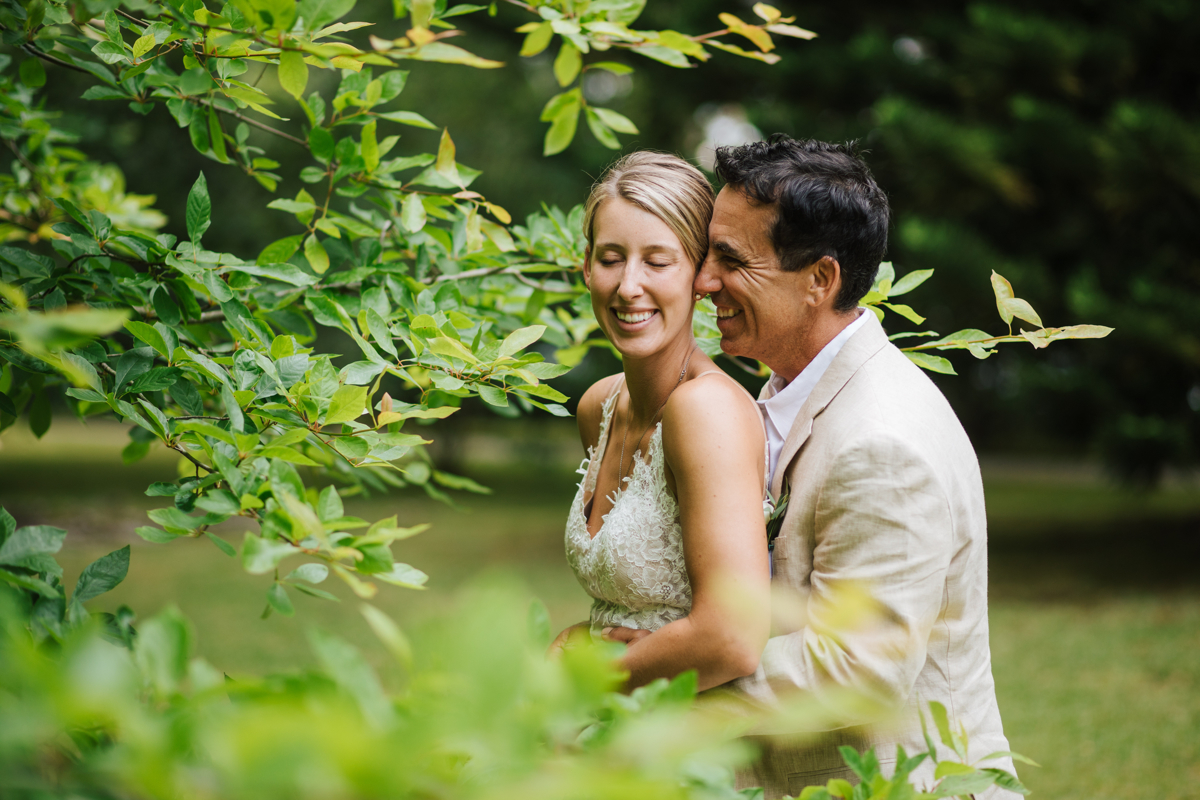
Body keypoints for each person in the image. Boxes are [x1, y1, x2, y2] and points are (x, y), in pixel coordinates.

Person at [607, 136, 1016, 798]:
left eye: (732, 260)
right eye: (709, 252)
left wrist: (655, 685)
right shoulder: (787, 389)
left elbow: (857, 670)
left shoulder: (883, 442)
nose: (704, 279)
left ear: (819, 281)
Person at [549, 151, 772, 693]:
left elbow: (731, 638)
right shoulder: (598, 406)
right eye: (610, 258)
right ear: (586, 267)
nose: (628, 286)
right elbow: (627, 611)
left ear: (699, 275)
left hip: (680, 734)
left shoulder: (706, 411)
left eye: (657, 261)